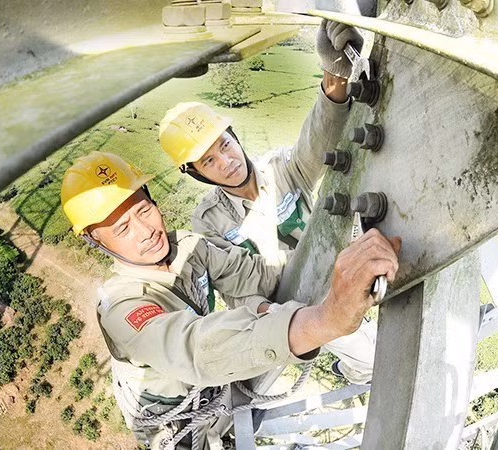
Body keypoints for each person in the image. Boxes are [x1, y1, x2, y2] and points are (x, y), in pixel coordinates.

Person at [60, 152, 401, 449]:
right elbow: (195, 347)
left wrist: (336, 254)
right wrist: (324, 320)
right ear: (95, 241)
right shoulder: (122, 307)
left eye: (145, 210)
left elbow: (259, 273)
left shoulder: (189, 248)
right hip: (173, 425)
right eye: (122, 229)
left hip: (213, 394)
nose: (146, 230)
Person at [159, 20, 377, 384]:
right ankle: (355, 369)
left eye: (224, 146)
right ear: (197, 173)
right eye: (209, 161)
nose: (226, 163)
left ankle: (351, 365)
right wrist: (281, 327)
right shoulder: (209, 222)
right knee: (370, 359)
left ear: (235, 138)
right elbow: (234, 290)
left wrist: (335, 75)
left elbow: (317, 142)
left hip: (331, 270)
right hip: (293, 308)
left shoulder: (279, 170)